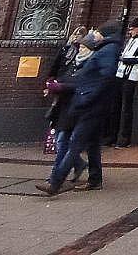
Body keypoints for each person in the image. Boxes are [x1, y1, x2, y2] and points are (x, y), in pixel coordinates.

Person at [38, 22, 123, 196]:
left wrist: (88, 96)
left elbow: (106, 77)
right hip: (94, 105)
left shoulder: (108, 50)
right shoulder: (106, 49)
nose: (94, 34)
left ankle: (55, 182)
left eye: (97, 32)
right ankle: (95, 179)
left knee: (75, 144)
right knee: (92, 144)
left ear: (105, 34)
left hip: (92, 106)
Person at [45, 26, 88, 180]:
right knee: (60, 139)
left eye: (82, 44)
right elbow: (57, 70)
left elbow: (78, 82)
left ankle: (55, 176)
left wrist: (59, 86)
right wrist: (51, 84)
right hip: (62, 101)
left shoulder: (85, 62)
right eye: (75, 35)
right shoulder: (67, 53)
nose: (76, 40)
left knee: (62, 140)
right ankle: (78, 164)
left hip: (72, 105)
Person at [113, 17, 138, 148]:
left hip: (131, 77)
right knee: (116, 105)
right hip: (120, 74)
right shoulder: (131, 39)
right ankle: (113, 136)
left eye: (132, 29)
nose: (130, 32)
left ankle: (124, 138)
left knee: (126, 108)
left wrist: (125, 60)